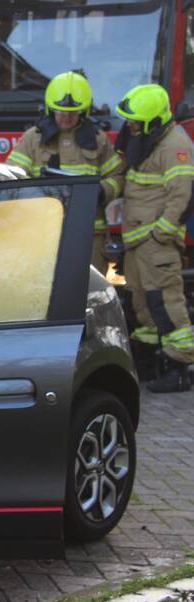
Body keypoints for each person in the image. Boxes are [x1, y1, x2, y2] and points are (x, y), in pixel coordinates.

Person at [114, 83, 194, 392]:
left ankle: (181, 367)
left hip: (155, 242)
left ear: (151, 122)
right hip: (138, 242)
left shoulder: (174, 145)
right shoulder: (146, 140)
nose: (130, 126)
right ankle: (148, 365)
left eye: (135, 121)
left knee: (166, 302)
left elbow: (183, 196)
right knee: (142, 305)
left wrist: (162, 232)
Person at [6, 71, 123, 273]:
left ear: (84, 111)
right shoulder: (33, 138)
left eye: (73, 112)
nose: (66, 116)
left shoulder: (98, 139)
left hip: (88, 234)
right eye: (60, 111)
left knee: (90, 293)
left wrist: (102, 191)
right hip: (42, 232)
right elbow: (11, 176)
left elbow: (119, 176)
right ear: (50, 109)